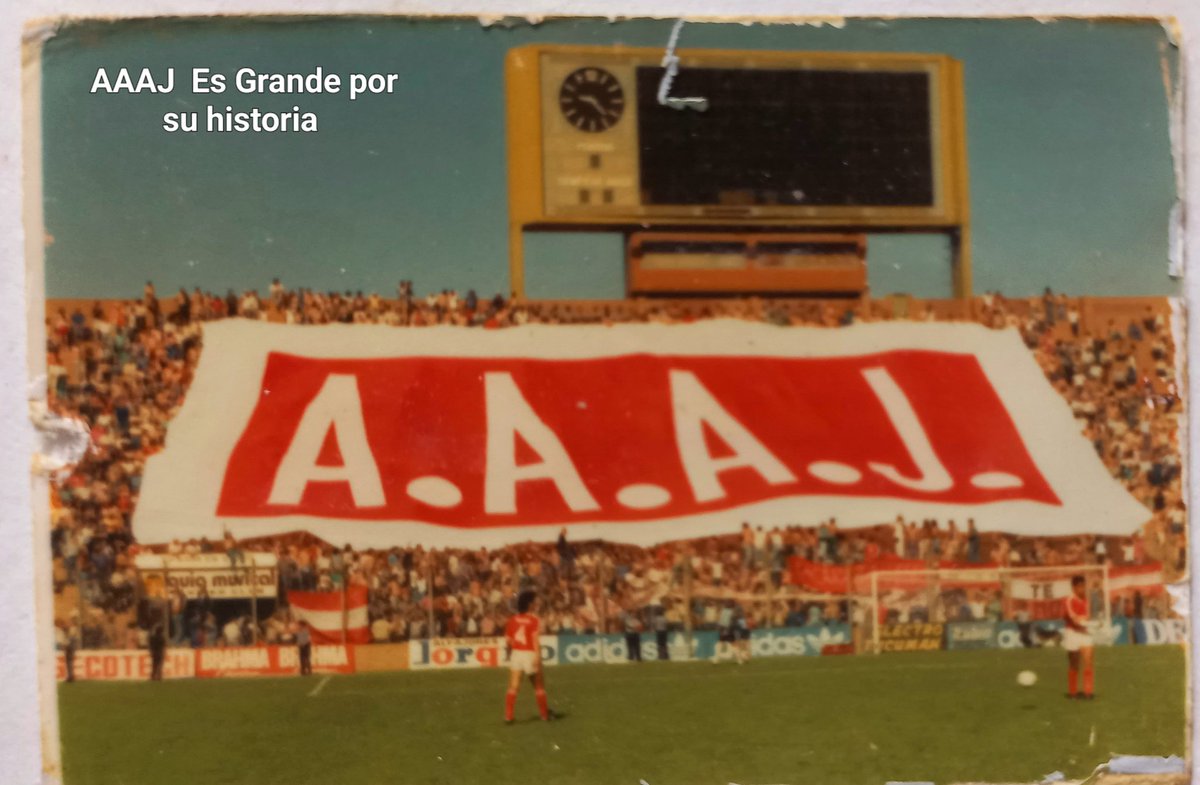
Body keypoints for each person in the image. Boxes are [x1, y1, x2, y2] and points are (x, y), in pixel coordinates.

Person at [504, 590, 554, 723]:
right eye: (534, 602)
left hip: (516, 653)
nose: (535, 604)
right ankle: (544, 715)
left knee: (513, 686)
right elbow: (535, 640)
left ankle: (508, 716)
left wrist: (515, 647)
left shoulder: (512, 620)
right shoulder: (533, 620)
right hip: (530, 653)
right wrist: (538, 657)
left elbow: (508, 641)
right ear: (529, 604)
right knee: (538, 686)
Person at [1064, 575, 1095, 699]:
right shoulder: (1069, 600)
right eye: (1080, 587)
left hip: (1084, 633)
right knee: (1074, 663)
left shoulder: (1087, 600)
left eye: (1084, 586)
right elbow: (1074, 619)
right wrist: (1082, 620)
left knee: (1088, 661)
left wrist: (1086, 621)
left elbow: (1087, 616)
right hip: (1072, 633)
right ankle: (1073, 692)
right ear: (1074, 588)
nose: (1082, 589)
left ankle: (1088, 692)